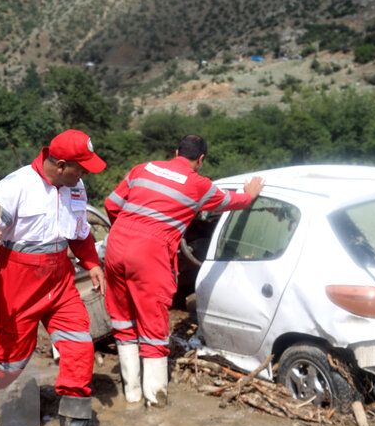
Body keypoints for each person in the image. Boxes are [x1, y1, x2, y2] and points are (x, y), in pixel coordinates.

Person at [0, 129, 109, 426]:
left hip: (60, 280)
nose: (84, 174)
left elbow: (79, 232)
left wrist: (91, 262)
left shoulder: (74, 186)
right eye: (81, 167)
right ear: (62, 164)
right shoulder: (16, 185)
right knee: (7, 368)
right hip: (17, 283)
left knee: (80, 348)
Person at [103, 134, 264, 406]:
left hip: (115, 247)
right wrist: (250, 195)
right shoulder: (198, 185)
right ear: (200, 160)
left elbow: (111, 204)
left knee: (122, 320)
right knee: (153, 327)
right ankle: (155, 403)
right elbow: (232, 202)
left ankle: (130, 396)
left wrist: (128, 231)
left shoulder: (142, 169)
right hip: (150, 253)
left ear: (175, 151)